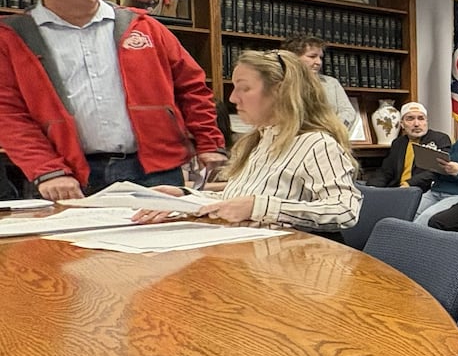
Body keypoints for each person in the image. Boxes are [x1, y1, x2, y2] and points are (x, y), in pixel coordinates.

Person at [0, 0, 225, 199]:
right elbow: (7, 114)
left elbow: (192, 88)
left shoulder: (143, 26)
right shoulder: (11, 37)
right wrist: (47, 170)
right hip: (67, 176)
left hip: (157, 168)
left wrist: (210, 143)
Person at [131, 48, 360, 234]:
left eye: (244, 88)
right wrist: (183, 197)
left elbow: (344, 210)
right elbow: (236, 201)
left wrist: (258, 206)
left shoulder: (317, 144)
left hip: (294, 266)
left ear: (280, 91)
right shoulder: (257, 141)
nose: (232, 98)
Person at [283, 33, 359, 134]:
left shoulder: (331, 83)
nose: (319, 62)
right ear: (293, 57)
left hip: (331, 138)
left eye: (320, 57)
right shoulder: (280, 83)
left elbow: (348, 112)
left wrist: (334, 131)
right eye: (312, 56)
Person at [370, 101, 451, 189]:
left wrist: (409, 184)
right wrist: (372, 187)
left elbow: (437, 171)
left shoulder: (439, 139)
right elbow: (386, 171)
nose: (416, 124)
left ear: (426, 122)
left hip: (422, 190)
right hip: (397, 189)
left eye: (421, 118)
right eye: (410, 119)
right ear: (402, 124)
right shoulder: (398, 143)